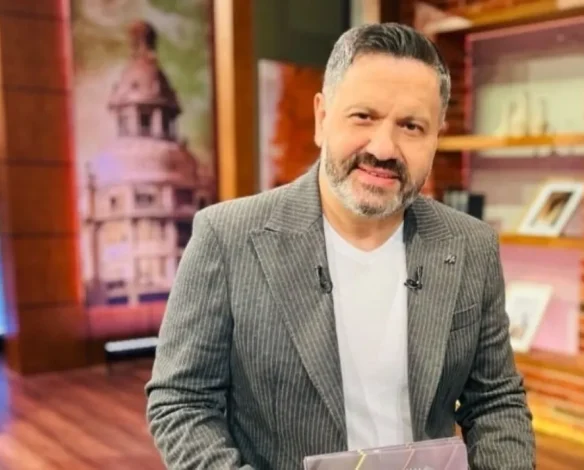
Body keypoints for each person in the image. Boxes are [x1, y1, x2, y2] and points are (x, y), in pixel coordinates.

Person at [145, 22, 535, 470]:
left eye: (411, 126)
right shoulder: (227, 237)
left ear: (436, 137)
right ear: (322, 117)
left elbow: (495, 400)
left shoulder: (471, 245)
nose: (384, 148)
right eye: (363, 116)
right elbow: (182, 401)